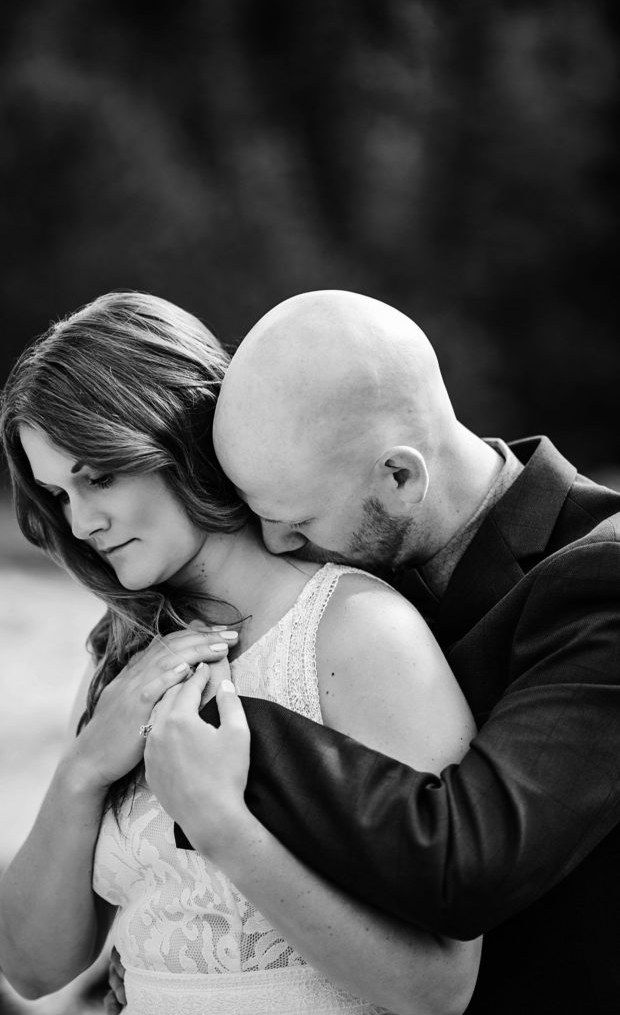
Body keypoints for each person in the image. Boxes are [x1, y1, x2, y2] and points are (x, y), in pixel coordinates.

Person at [0, 290, 481, 1015]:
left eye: (99, 476)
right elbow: (33, 969)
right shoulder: (125, 656)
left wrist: (222, 827)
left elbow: (438, 988)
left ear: (177, 435)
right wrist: (85, 769)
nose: (84, 522)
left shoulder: (357, 631)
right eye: (58, 495)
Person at [145, 290, 620, 1015]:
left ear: (399, 477)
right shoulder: (358, 581)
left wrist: (227, 719)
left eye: (292, 520)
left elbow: (473, 861)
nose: (274, 546)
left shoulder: (602, 579)